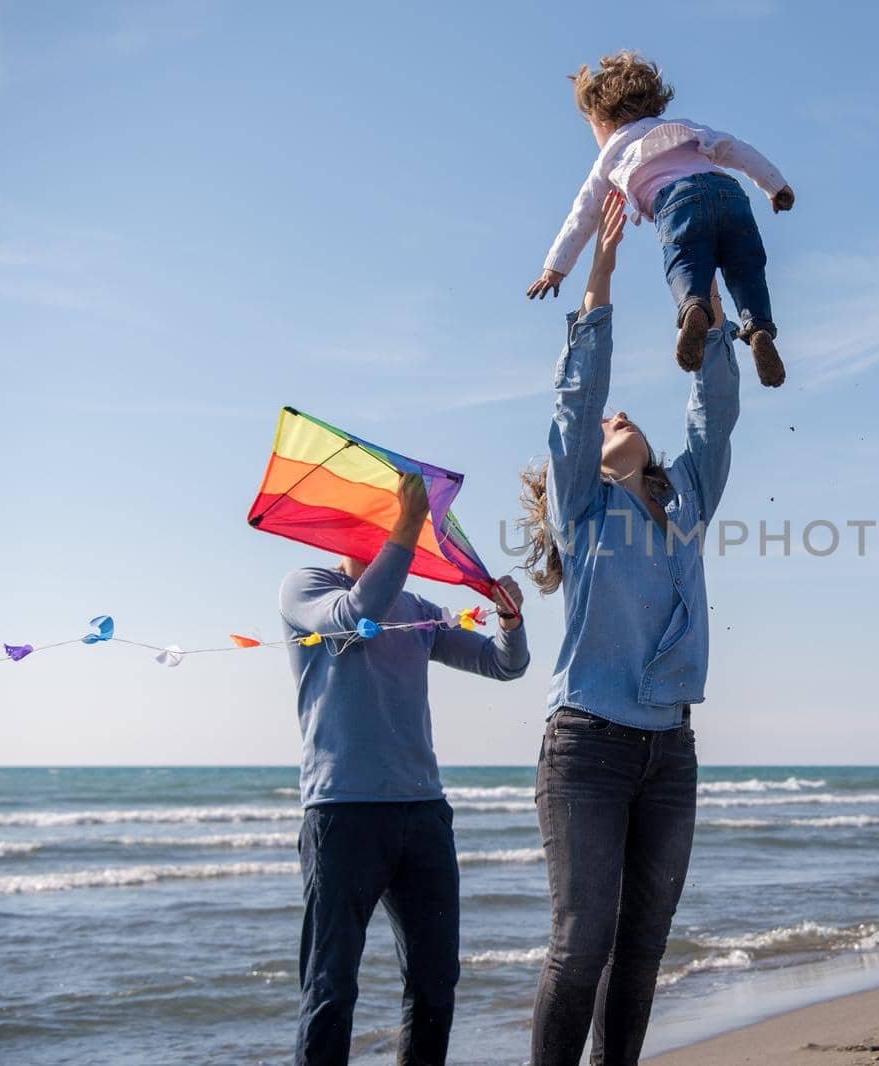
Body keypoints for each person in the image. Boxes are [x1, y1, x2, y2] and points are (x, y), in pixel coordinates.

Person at [518, 189, 740, 1065]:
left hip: (670, 753)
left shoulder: (686, 497)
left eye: (627, 416)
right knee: (581, 948)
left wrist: (706, 303)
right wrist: (600, 275)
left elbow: (713, 408)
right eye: (611, 420)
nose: (618, 417)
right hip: (588, 748)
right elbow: (578, 400)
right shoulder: (583, 508)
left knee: (643, 952)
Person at [279, 472, 530, 1066]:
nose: (384, 534)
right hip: (342, 815)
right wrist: (408, 523)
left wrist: (511, 624)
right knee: (330, 987)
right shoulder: (306, 586)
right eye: (374, 525)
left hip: (423, 816)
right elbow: (355, 613)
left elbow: (503, 666)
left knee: (435, 982)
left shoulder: (419, 612)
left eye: (388, 524)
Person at [526, 50, 794, 389]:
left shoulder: (610, 156)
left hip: (677, 201)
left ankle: (693, 309)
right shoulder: (683, 127)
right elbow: (734, 148)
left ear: (603, 122)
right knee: (747, 267)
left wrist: (555, 268)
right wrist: (776, 185)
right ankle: (758, 329)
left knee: (685, 260)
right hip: (729, 193)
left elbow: (583, 214)